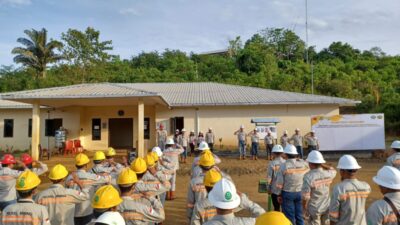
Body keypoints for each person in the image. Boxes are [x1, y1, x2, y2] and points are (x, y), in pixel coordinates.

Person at [191, 169, 264, 225]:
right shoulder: (248, 223)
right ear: (234, 203)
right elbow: (263, 216)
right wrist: (244, 200)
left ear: (214, 202)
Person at [65, 153, 111, 225]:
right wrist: (101, 175)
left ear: (76, 165)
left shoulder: (69, 177)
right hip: (87, 211)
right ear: (86, 165)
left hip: (73, 212)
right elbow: (107, 179)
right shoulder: (91, 177)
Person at [329, 155, 371, 225]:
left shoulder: (338, 188)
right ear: (356, 170)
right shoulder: (366, 187)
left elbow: (333, 216)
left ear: (342, 171)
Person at [276, 144, 309, 225]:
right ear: (296, 154)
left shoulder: (283, 166)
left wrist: (278, 195)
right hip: (300, 192)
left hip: (287, 193)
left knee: (290, 217)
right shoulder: (303, 164)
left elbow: (280, 183)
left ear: (286, 154)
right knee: (299, 216)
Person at [302, 151, 337, 225]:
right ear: (320, 163)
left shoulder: (308, 177)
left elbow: (306, 197)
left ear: (310, 163)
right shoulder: (329, 174)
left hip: (314, 208)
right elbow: (333, 170)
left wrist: (304, 208)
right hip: (327, 206)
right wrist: (323, 165)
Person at [187, 151, 216, 220]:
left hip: (198, 215)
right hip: (215, 216)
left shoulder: (193, 182)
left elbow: (190, 202)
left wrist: (190, 216)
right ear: (213, 166)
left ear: (200, 166)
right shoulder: (219, 181)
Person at [266, 145, 285, 211]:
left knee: (276, 208)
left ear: (273, 153)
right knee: (285, 209)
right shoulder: (286, 163)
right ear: (282, 153)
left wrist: (268, 188)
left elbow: (269, 177)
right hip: (285, 190)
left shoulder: (271, 163)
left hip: (275, 190)